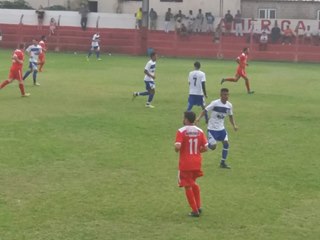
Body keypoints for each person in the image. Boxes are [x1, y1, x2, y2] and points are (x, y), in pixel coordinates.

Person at [175, 111, 208, 217]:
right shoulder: (200, 131)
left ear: (186, 119)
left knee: (187, 185)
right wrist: (198, 151)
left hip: (186, 163)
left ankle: (195, 210)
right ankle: (198, 206)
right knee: (193, 182)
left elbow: (178, 146)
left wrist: (176, 148)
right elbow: (206, 147)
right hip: (197, 162)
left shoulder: (181, 131)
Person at [196, 88, 238, 169]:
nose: (226, 96)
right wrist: (198, 118)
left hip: (221, 129)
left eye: (227, 95)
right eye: (224, 95)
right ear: (221, 95)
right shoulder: (215, 103)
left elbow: (230, 116)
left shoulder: (229, 105)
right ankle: (201, 147)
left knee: (226, 144)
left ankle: (222, 163)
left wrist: (234, 125)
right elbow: (205, 110)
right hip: (212, 129)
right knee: (213, 147)